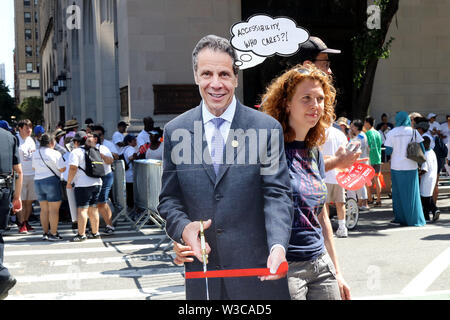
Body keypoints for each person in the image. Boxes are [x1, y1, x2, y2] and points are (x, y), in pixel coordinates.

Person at [158, 35, 293, 300]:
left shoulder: (266, 129)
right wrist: (183, 228)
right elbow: (169, 200)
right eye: (207, 73)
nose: (216, 84)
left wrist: (278, 245)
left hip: (259, 276)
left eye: (224, 74)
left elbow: (277, 195)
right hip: (203, 279)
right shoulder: (176, 131)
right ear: (196, 76)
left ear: (235, 78)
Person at [261, 64, 350, 300]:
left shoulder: (314, 153)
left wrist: (337, 272)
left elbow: (320, 217)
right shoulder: (267, 150)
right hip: (286, 269)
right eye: (306, 98)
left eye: (320, 99)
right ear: (287, 103)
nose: (315, 105)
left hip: (321, 265)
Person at [384, 111, 425, 226]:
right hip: (411, 165)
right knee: (412, 194)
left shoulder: (392, 132)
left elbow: (388, 151)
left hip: (396, 166)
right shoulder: (414, 132)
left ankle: (400, 218)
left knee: (397, 194)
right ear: (407, 119)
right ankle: (414, 219)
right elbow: (422, 147)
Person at [66, 131, 103, 242]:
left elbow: (73, 168)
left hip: (83, 184)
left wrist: (69, 182)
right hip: (97, 182)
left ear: (77, 142)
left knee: (82, 209)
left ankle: (81, 234)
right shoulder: (94, 149)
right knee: (93, 209)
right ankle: (95, 232)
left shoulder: (76, 152)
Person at [0, 126, 23, 299]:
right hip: (5, 189)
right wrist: (17, 196)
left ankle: (2, 274)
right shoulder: (9, 136)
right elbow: (19, 170)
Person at [32, 134, 66, 241]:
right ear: (51, 142)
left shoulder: (35, 153)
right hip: (51, 181)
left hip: (38, 181)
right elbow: (62, 169)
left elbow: (33, 167)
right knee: (54, 210)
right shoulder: (55, 153)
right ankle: (53, 233)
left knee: (44, 209)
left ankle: (45, 232)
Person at [322, 126, 349, 238]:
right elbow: (347, 151)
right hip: (339, 173)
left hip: (325, 172)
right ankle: (342, 227)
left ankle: (327, 230)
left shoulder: (319, 133)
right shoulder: (340, 134)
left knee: (325, 204)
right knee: (340, 202)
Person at [92, 128, 115, 235]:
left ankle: (110, 225)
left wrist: (102, 156)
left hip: (105, 177)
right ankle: (94, 226)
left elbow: (110, 161)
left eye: (89, 137)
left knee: (102, 201)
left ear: (95, 139)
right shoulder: (86, 149)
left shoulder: (103, 148)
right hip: (93, 178)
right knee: (94, 203)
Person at [16, 119, 37, 234]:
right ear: (20, 128)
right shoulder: (16, 140)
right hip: (21, 174)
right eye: (26, 128)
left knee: (29, 201)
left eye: (30, 128)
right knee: (21, 200)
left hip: (32, 174)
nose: (29, 130)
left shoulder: (31, 140)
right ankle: (21, 223)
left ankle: (26, 221)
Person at [347, 119, 370, 211]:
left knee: (359, 183)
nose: (350, 128)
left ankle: (363, 203)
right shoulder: (360, 135)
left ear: (356, 127)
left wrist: (349, 136)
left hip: (360, 163)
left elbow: (351, 148)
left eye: (352, 126)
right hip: (359, 162)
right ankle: (360, 203)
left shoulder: (360, 136)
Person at [419, 136, 439, 222]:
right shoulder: (432, 152)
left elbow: (424, 169)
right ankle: (426, 216)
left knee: (425, 198)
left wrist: (417, 174)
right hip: (432, 177)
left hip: (426, 178)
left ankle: (435, 210)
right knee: (427, 196)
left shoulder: (425, 155)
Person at [364, 116, 383, 206]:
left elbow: (368, 146)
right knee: (377, 179)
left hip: (370, 159)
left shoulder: (368, 133)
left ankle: (370, 198)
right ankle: (379, 199)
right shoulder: (378, 133)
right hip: (378, 158)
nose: (364, 124)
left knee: (367, 179)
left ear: (368, 123)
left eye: (365, 122)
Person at [122, 134, 138, 212]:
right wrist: (137, 155)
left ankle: (130, 210)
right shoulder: (130, 148)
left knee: (129, 193)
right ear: (129, 142)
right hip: (130, 175)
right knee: (131, 194)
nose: (136, 141)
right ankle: (131, 211)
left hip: (127, 175)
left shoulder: (124, 148)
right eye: (134, 140)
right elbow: (130, 157)